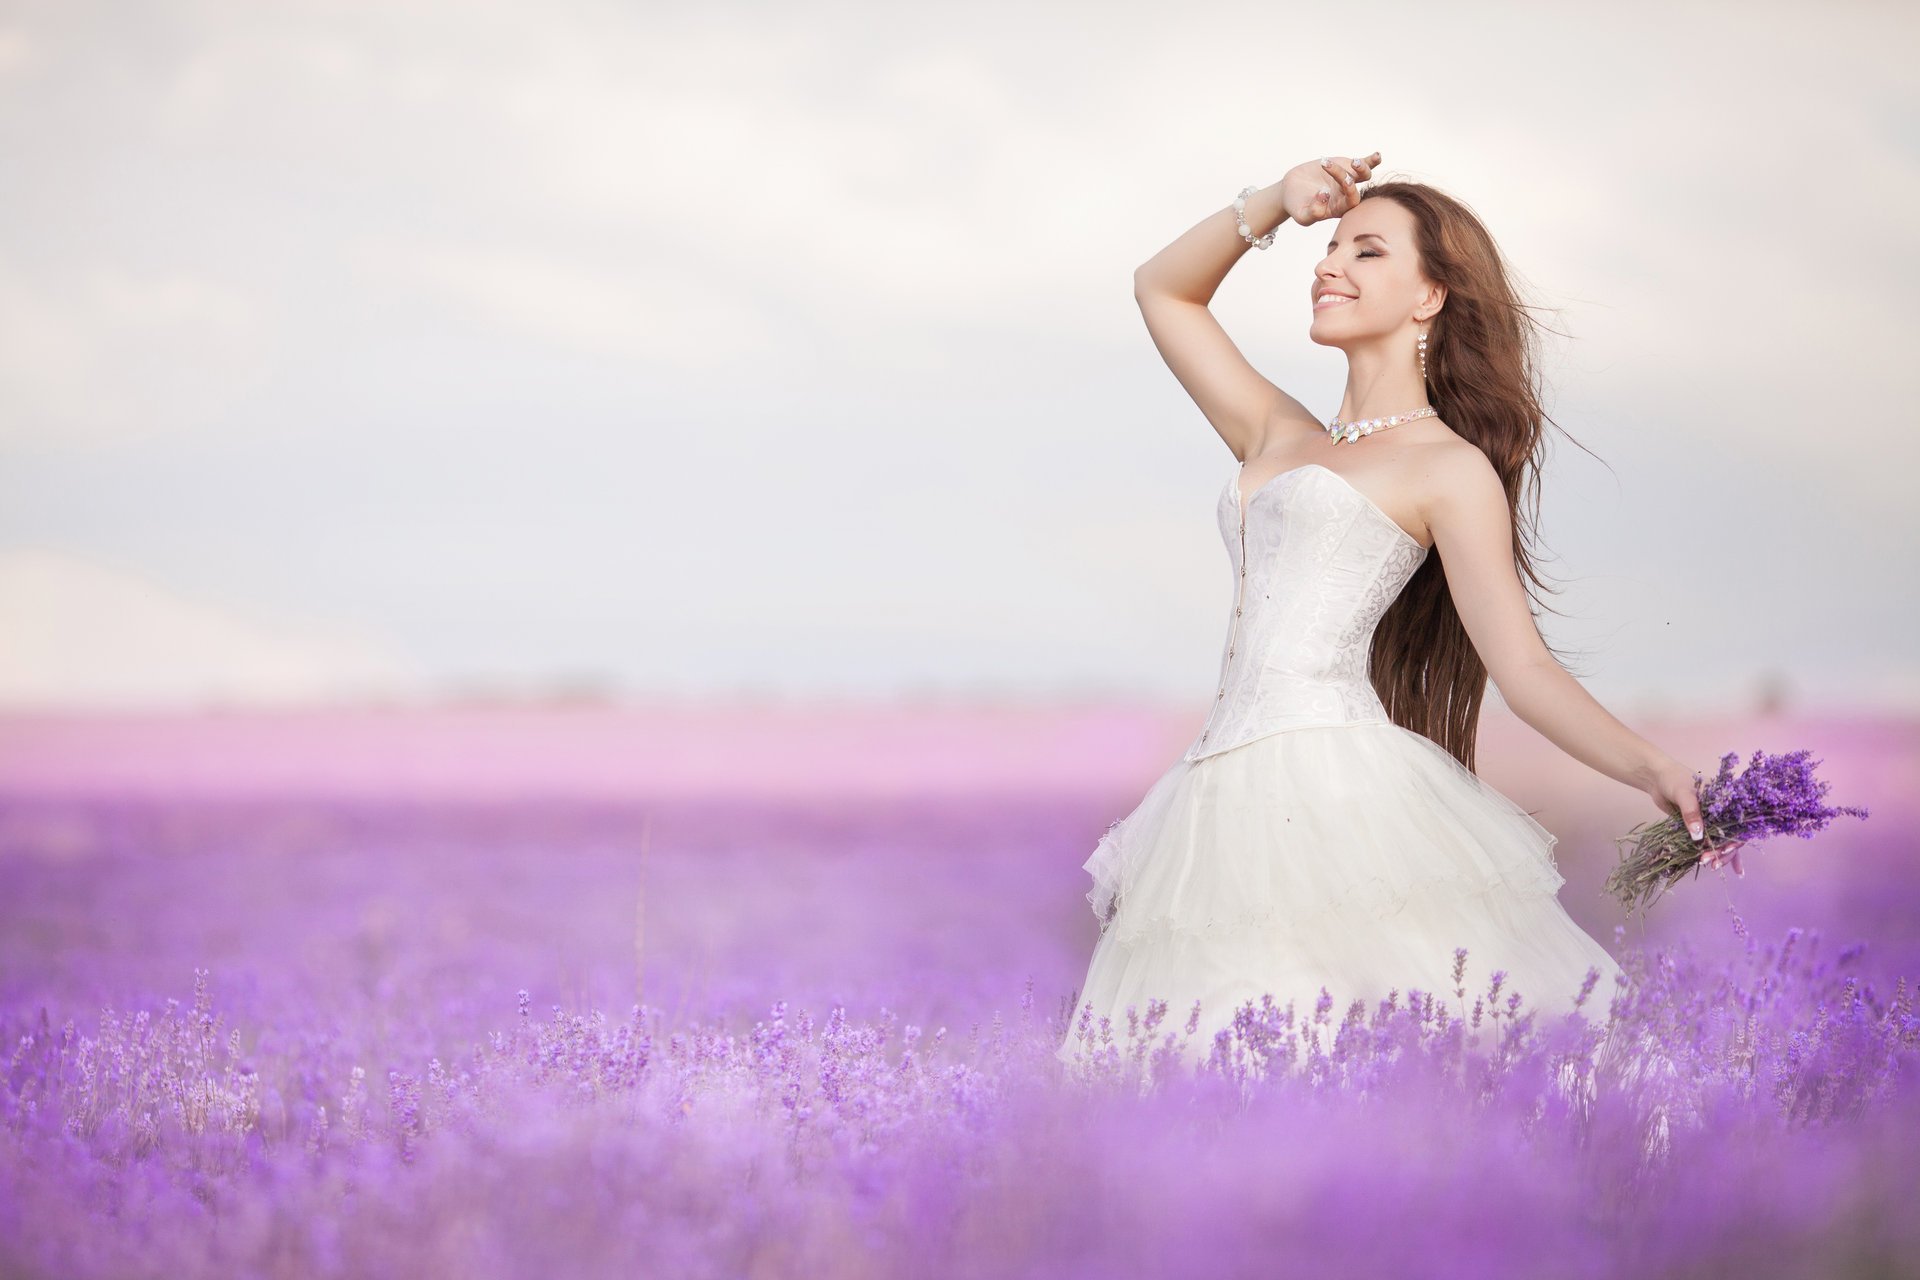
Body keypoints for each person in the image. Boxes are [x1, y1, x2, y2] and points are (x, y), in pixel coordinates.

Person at [1057, 152, 1714, 1075]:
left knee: (1347, 1044)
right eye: (1328, 249)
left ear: (1430, 297)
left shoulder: (1447, 468)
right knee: (1199, 1058)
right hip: (1214, 793)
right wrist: (1274, 205)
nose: (1328, 265)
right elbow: (1163, 290)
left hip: (1332, 786)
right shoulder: (1277, 433)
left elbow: (1521, 669)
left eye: (1366, 252)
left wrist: (1655, 768)